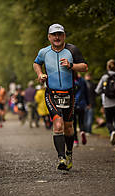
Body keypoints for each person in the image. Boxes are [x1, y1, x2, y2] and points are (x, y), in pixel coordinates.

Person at [33, 23, 88, 170]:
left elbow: (84, 66)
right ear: (49, 37)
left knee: (69, 128)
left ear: (64, 36)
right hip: (52, 93)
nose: (57, 37)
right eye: (54, 35)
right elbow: (36, 63)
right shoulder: (44, 52)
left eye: (60, 34)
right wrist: (40, 74)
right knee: (58, 125)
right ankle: (61, 158)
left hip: (69, 93)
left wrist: (71, 66)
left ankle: (69, 154)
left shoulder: (72, 50)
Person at [73, 72, 89, 147]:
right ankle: (82, 131)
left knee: (73, 124)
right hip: (82, 104)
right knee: (81, 121)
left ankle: (75, 141)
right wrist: (88, 103)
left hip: (72, 104)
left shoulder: (70, 81)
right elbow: (86, 92)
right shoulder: (82, 80)